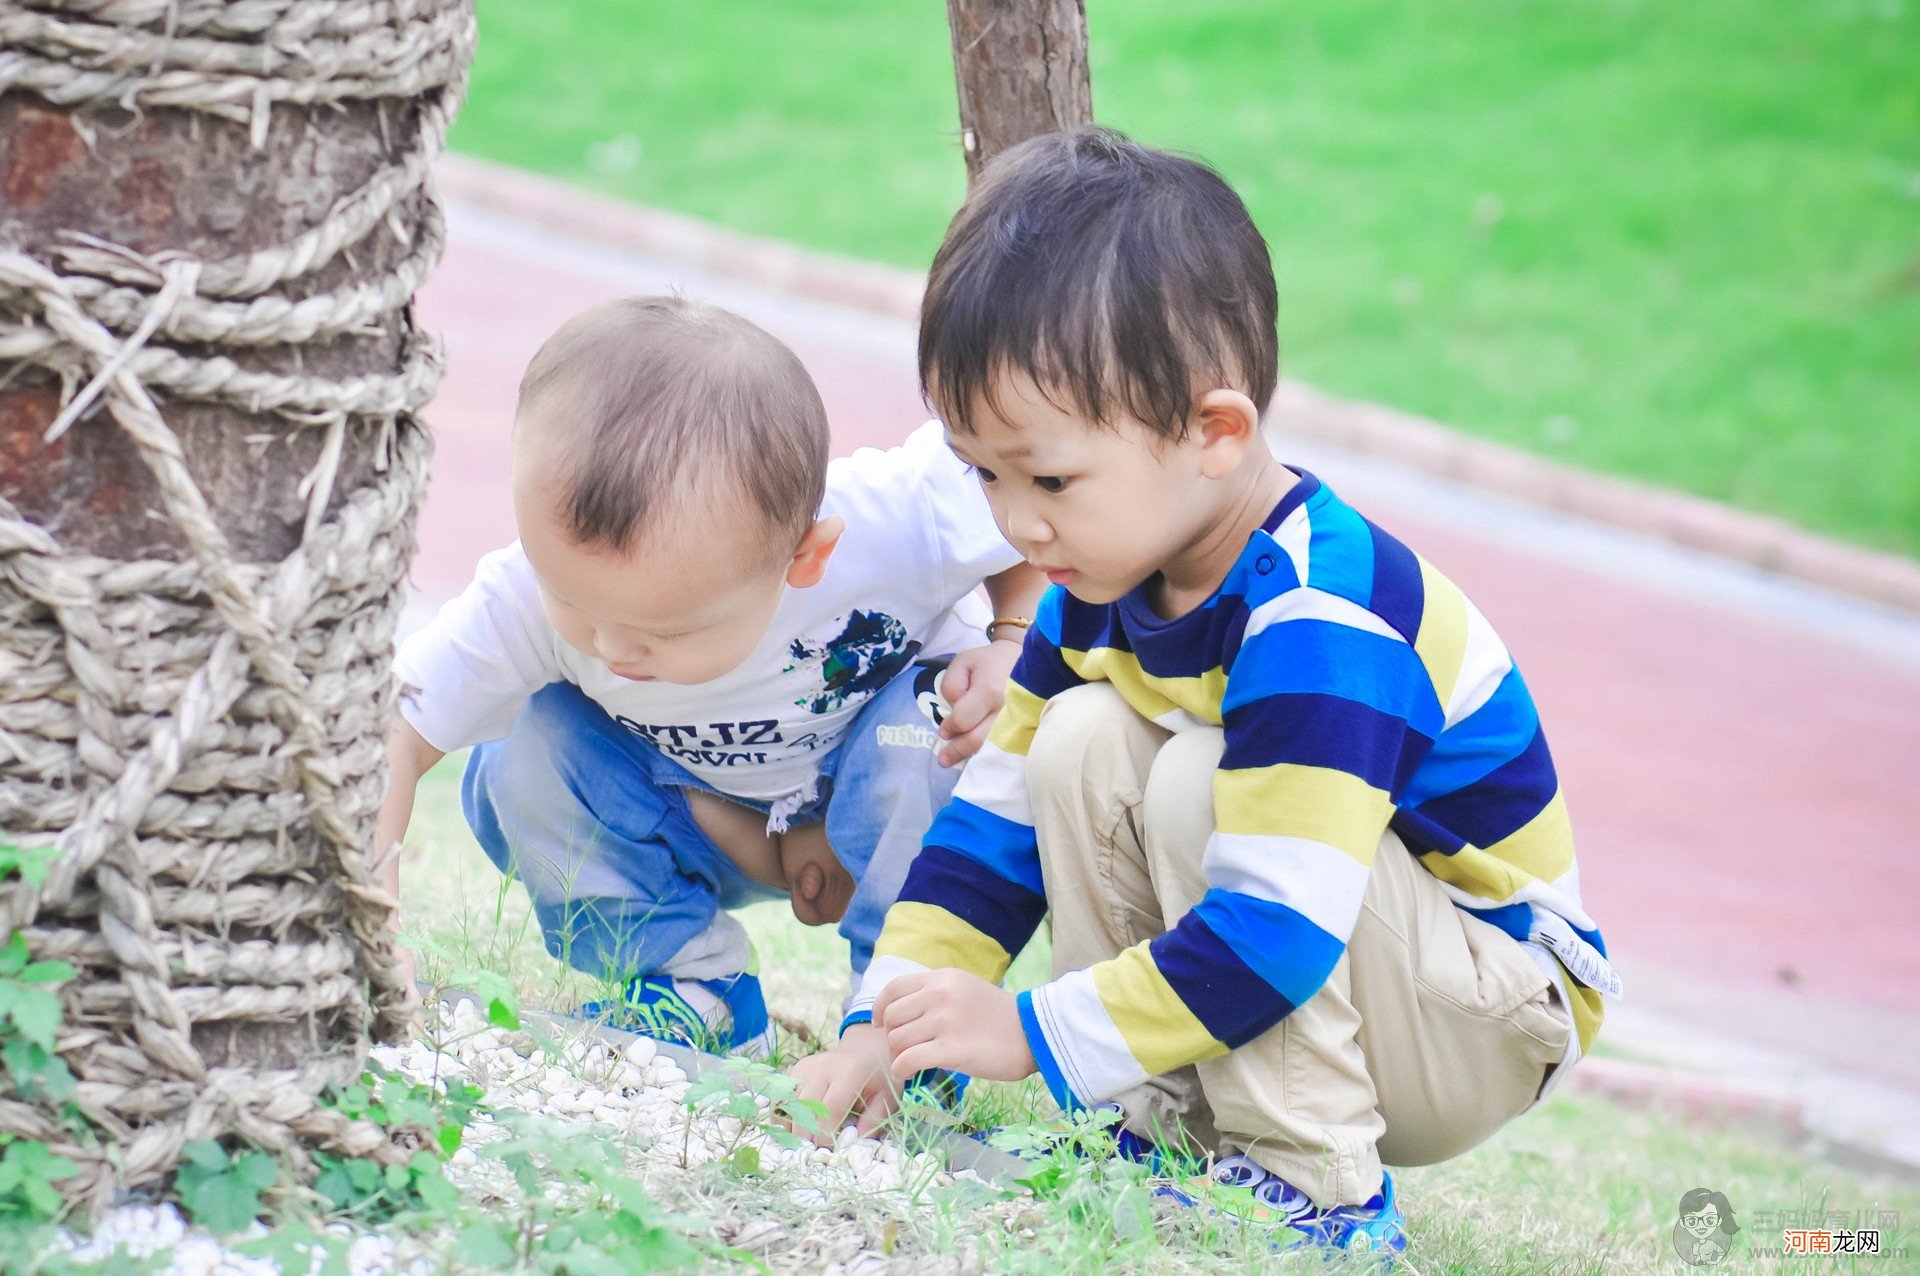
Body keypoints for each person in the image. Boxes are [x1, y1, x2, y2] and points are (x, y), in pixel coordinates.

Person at [790, 129, 1621, 1251]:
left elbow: (1278, 929)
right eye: (985, 472)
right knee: (1076, 736)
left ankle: (1316, 1190)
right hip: (1338, 967)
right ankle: (1153, 1137)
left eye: (1049, 477)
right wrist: (882, 1029)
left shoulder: (1320, 617)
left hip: (1482, 1011)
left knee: (1196, 782)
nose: (1016, 524)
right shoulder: (1098, 581)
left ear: (1214, 432)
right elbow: (989, 831)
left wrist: (1030, 1032)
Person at [377, 295, 1045, 1054]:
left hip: (891, 801)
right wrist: (373, 928)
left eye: (665, 630)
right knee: (519, 756)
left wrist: (1013, 638)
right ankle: (693, 984)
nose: (610, 648)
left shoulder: (893, 517)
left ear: (806, 558)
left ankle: (902, 1021)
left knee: (930, 726)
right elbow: (391, 735)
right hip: (704, 818)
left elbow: (1015, 499)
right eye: (571, 600)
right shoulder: (526, 599)